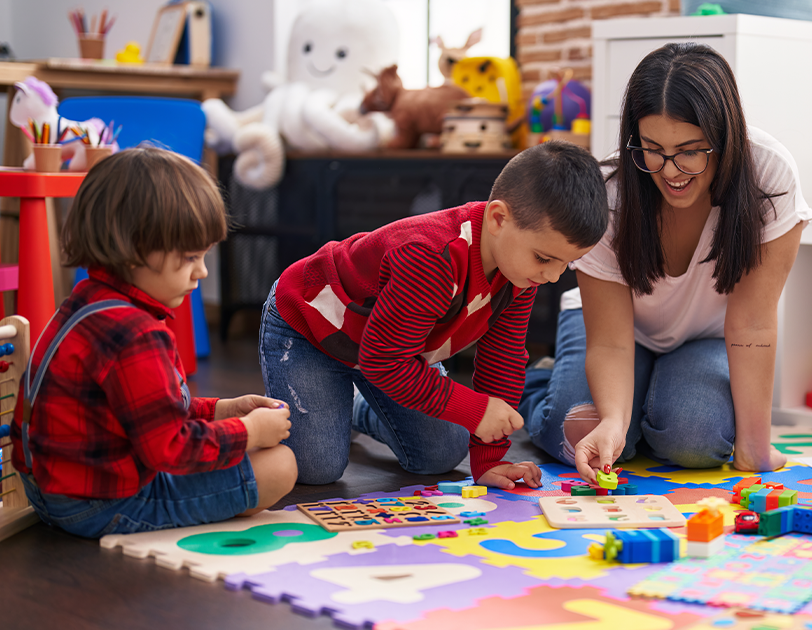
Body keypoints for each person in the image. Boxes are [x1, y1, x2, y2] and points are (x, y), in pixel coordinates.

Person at [520, 42, 811, 483]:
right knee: (585, 436)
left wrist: (754, 449)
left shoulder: (769, 174)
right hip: (615, 334)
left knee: (694, 441)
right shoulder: (612, 191)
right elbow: (612, 343)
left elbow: (752, 323)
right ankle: (542, 385)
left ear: (725, 137)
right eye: (653, 148)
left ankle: (642, 398)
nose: (671, 171)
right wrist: (614, 424)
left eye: (691, 150)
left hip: (707, 338)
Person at [260, 141, 608, 489]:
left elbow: (503, 360)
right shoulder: (431, 259)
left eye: (566, 263)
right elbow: (384, 361)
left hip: (392, 348)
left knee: (441, 453)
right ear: (498, 219)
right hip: (310, 331)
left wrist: (489, 460)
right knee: (318, 469)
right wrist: (474, 409)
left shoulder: (521, 270)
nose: (552, 276)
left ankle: (355, 408)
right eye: (545, 259)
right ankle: (275, 414)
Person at [11, 147, 297, 538]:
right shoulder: (136, 333)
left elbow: (146, 412)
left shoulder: (86, 299)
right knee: (279, 465)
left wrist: (224, 410)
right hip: (98, 505)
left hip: (48, 490)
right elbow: (169, 448)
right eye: (191, 257)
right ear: (134, 250)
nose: (202, 271)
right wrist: (249, 432)